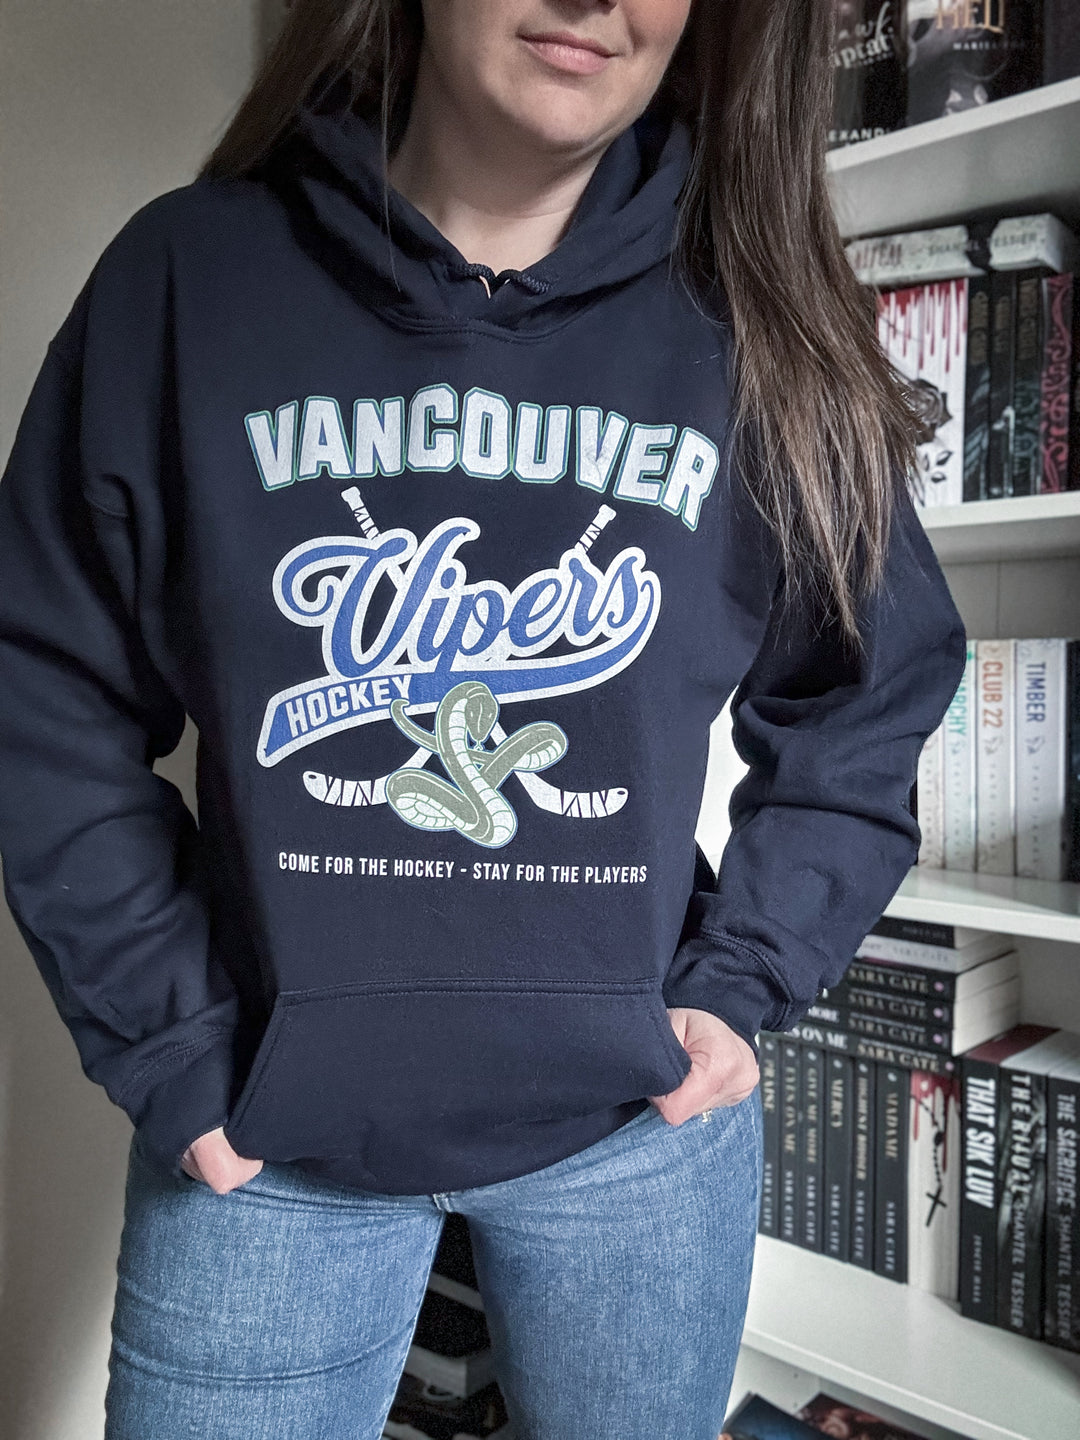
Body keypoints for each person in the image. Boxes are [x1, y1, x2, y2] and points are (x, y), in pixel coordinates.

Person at [0, 2, 968, 1437]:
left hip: (639, 1147)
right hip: (271, 1147)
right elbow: (43, 686)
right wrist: (174, 1044)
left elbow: (872, 688)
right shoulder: (185, 279)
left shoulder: (761, 321)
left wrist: (745, 975)